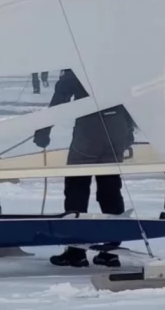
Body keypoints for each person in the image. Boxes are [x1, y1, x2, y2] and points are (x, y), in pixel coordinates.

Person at [33, 69, 135, 268]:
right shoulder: (115, 63)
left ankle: (76, 251)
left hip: (90, 131)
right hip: (118, 130)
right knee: (110, 188)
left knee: (76, 187)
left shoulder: (78, 66)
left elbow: (59, 100)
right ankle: (111, 251)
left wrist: (42, 131)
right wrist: (129, 133)